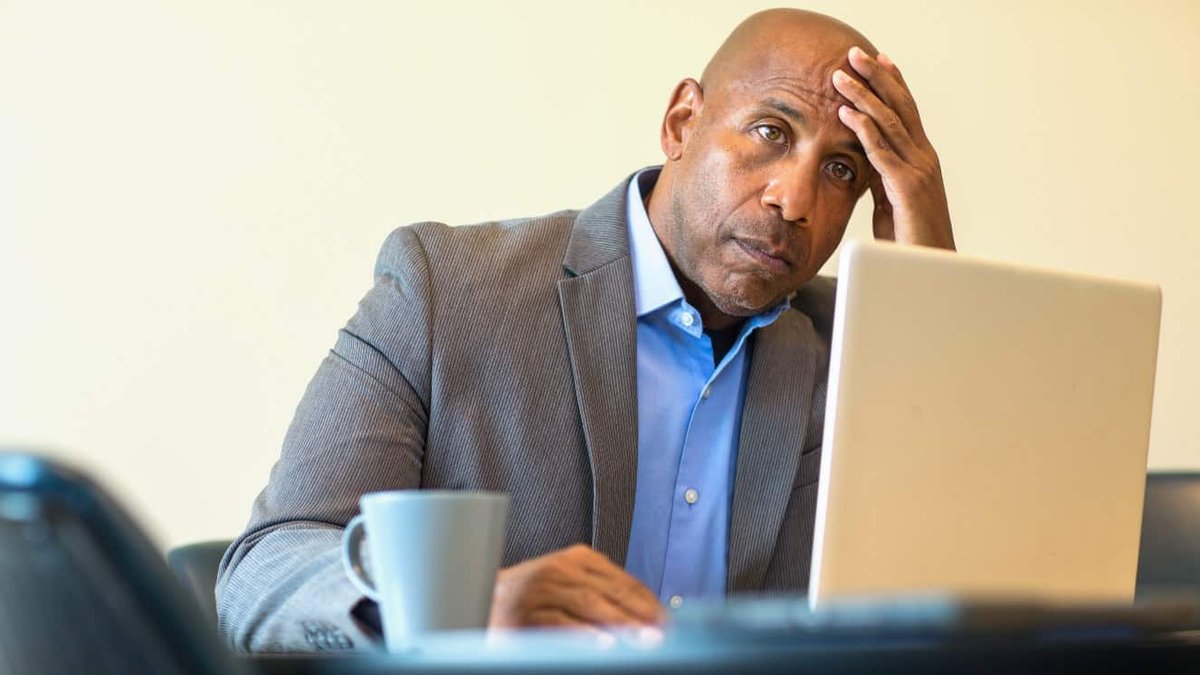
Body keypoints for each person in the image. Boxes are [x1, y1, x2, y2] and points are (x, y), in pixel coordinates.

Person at [216, 7, 955, 651]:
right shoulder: (445, 290)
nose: (795, 200)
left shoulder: (864, 345)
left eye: (841, 171)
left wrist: (935, 288)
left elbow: (964, 583)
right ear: (682, 122)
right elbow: (265, 570)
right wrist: (457, 609)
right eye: (770, 131)